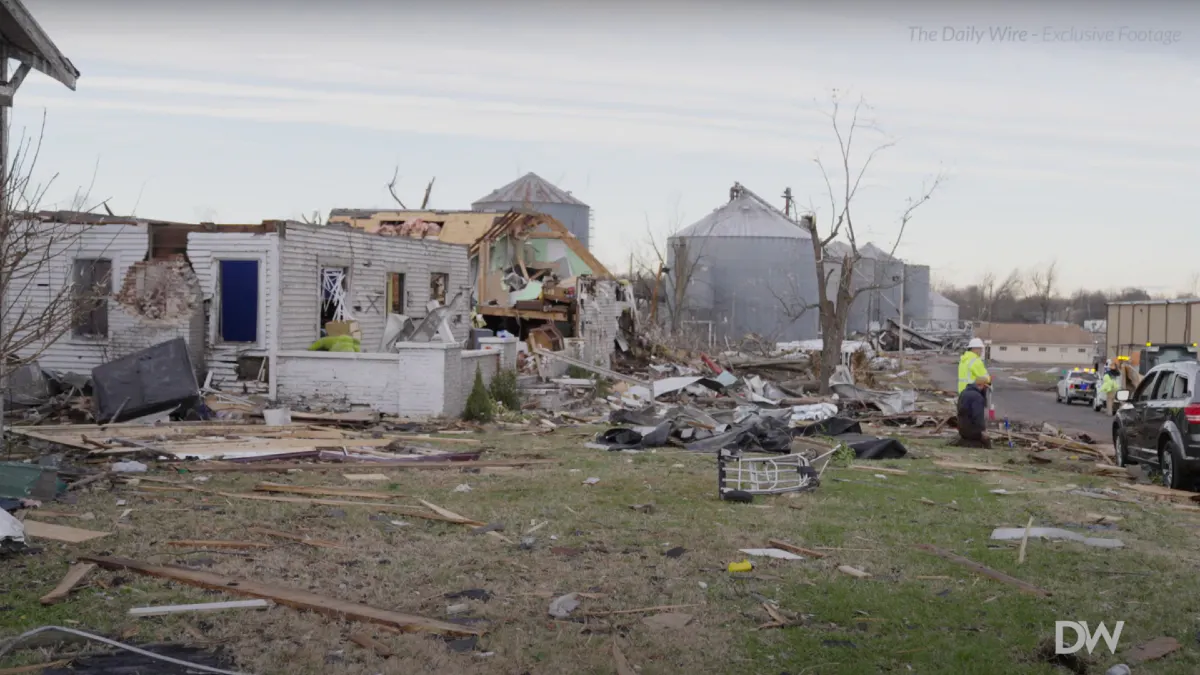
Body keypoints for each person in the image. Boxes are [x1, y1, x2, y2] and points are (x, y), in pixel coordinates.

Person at [955, 375, 992, 448]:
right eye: (986, 388)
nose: (985, 390)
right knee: (987, 440)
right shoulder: (977, 397)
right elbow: (978, 416)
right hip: (972, 431)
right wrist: (983, 430)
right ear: (982, 385)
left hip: (961, 429)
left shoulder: (963, 392)